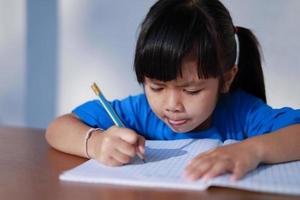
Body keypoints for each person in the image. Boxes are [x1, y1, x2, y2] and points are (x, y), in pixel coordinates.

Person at [46, 0, 300, 181]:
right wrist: (97, 142)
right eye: (156, 87)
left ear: (226, 79)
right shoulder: (139, 111)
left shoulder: (241, 113)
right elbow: (58, 128)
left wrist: (251, 150)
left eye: (191, 91)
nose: (171, 104)